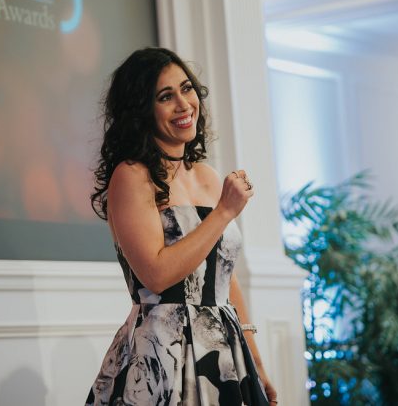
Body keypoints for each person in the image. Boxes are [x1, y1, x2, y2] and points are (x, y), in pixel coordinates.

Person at [85, 47, 277, 405]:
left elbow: (223, 277)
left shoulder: (207, 176)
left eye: (187, 89)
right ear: (142, 110)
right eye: (165, 96)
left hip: (226, 355)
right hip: (162, 355)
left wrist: (256, 362)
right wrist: (223, 213)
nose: (184, 105)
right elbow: (156, 275)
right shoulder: (131, 177)